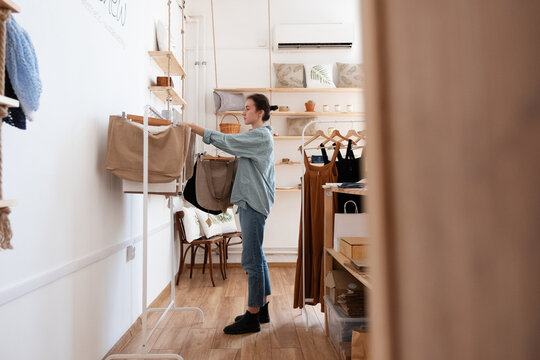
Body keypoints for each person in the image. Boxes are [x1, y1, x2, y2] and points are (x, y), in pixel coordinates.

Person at [185, 93, 277, 334]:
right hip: (253, 202)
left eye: (247, 108)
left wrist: (196, 129)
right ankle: (262, 308)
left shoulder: (258, 136)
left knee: (252, 260)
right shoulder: (260, 136)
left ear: (260, 113)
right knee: (259, 257)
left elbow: (227, 141)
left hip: (254, 203)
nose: (243, 112)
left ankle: (252, 316)